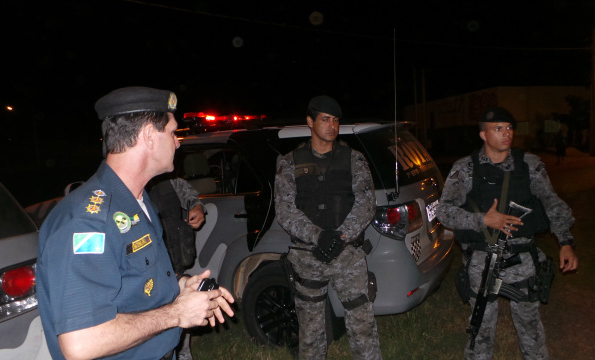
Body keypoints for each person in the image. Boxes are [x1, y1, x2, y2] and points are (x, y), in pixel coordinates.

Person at [37, 86, 234, 360]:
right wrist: (177, 312)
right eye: (172, 132)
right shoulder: (87, 222)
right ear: (149, 137)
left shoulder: (136, 201)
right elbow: (81, 343)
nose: (178, 142)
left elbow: (134, 284)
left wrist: (180, 288)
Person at [437, 106, 578, 359]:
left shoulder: (529, 165)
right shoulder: (466, 168)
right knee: (481, 328)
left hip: (522, 256)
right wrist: (483, 220)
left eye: (509, 128)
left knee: (530, 326)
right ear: (483, 135)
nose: (506, 134)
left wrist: (566, 242)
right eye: (498, 129)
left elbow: (552, 203)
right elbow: (444, 212)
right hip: (483, 259)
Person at [274, 96, 382, 360]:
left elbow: (366, 203)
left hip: (348, 257)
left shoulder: (354, 160)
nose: (332, 126)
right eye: (325, 119)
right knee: (310, 334)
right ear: (310, 122)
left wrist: (341, 237)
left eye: (335, 120)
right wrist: (319, 237)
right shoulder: (289, 162)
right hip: (308, 256)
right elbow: (285, 211)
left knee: (362, 326)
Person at [148, 176, 206, 360]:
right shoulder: (123, 186)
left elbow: (192, 198)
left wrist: (197, 208)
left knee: (181, 324)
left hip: (175, 269)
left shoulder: (170, 183)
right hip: (146, 279)